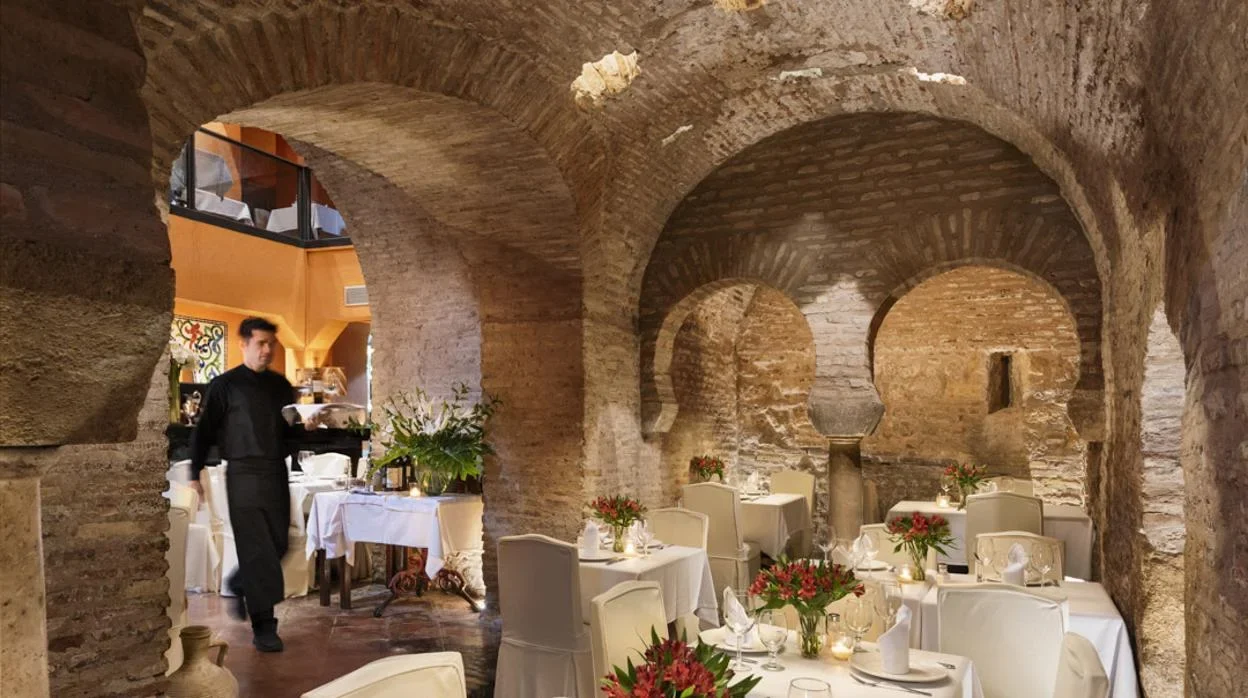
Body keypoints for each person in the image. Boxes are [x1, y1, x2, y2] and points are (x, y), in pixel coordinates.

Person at [188, 317, 317, 652]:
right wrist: (195, 473)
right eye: (261, 343)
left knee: (279, 546)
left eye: (271, 344)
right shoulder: (224, 385)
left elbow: (289, 430)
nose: (267, 350)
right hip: (242, 474)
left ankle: (238, 580)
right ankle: (264, 627)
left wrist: (308, 428)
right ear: (243, 343)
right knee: (258, 549)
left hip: (275, 473)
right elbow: (202, 432)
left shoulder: (280, 386)